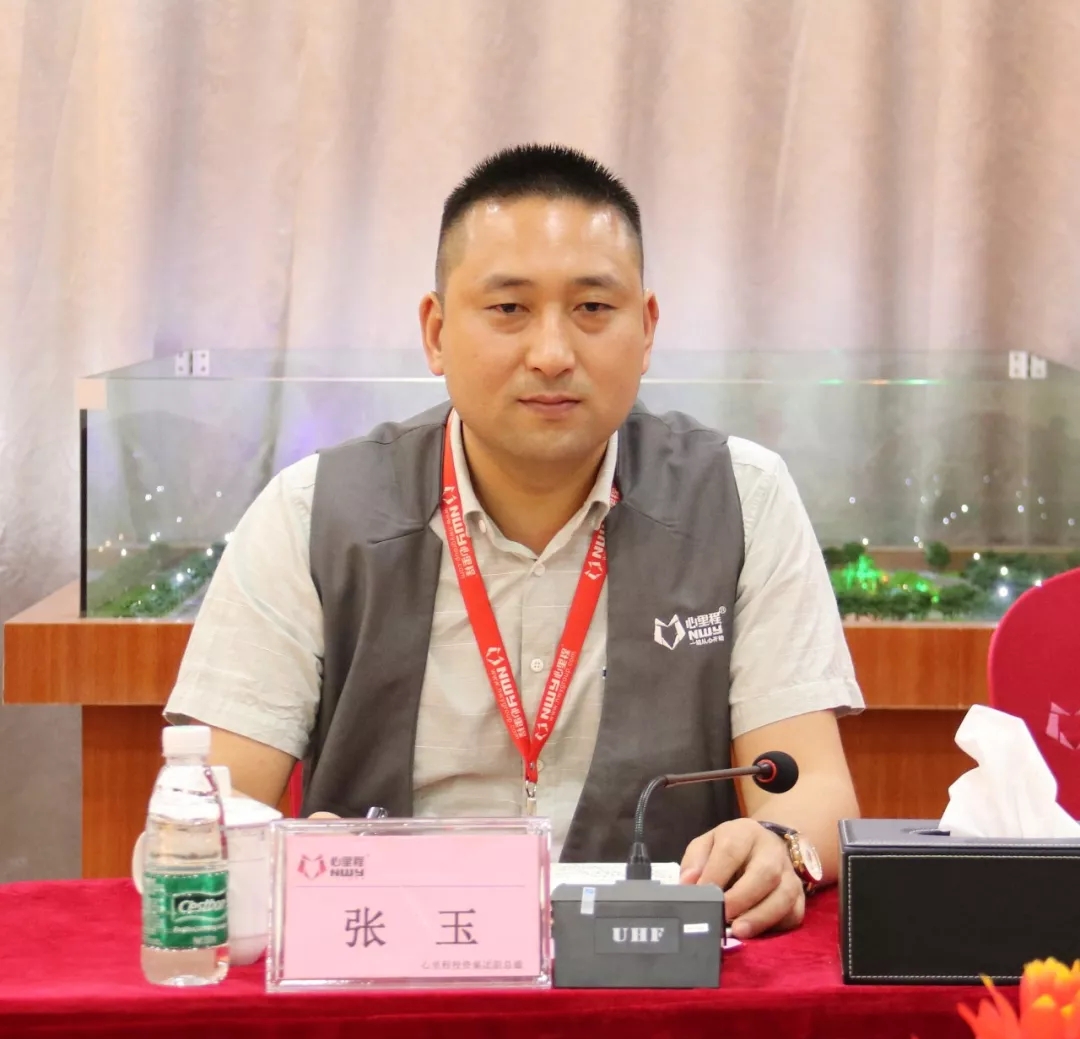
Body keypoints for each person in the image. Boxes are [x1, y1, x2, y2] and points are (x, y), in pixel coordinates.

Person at [165, 143, 862, 939]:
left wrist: (781, 845)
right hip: (392, 966)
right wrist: (292, 855)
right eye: (508, 309)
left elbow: (811, 788)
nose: (553, 353)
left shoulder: (741, 498)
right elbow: (208, 816)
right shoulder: (311, 513)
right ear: (436, 332)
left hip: (648, 969)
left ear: (646, 329)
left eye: (592, 307)